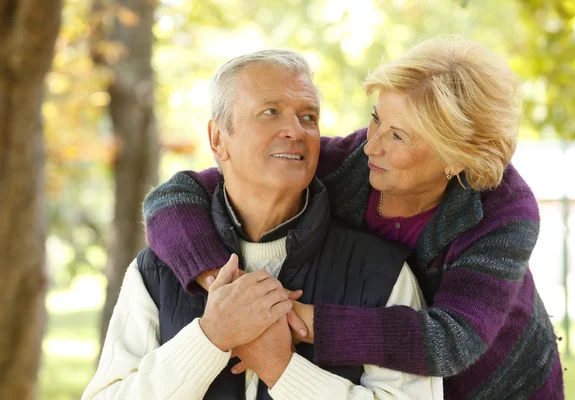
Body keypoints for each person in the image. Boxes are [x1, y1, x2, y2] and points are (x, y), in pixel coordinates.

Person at [142, 35, 565, 399]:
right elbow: (173, 197)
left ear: (454, 157)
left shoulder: (502, 210)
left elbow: (452, 339)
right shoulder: (345, 164)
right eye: (376, 120)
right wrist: (227, 289)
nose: (371, 147)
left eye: (397, 136)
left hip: (498, 383)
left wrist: (289, 321)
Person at [83, 49, 442, 400]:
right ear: (218, 138)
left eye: (308, 117)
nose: (294, 130)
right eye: (270, 112)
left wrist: (282, 370)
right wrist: (210, 337)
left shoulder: (380, 272)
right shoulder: (156, 271)